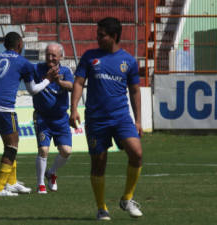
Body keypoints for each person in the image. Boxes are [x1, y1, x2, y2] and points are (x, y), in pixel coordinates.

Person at [69, 17, 144, 220]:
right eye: (97, 34)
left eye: (102, 35)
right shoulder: (89, 57)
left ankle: (127, 198)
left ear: (114, 36)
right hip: (96, 119)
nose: (98, 38)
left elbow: (135, 91)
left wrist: (138, 120)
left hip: (121, 117)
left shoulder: (128, 61)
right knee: (99, 164)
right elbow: (78, 83)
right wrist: (73, 108)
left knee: (136, 153)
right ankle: (102, 208)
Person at [0, 32, 58, 196]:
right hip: (4, 107)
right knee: (12, 146)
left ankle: (11, 182)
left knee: (11, 142)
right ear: (19, 45)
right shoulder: (24, 63)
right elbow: (33, 90)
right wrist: (48, 80)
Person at [33, 43, 74, 194]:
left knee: (66, 151)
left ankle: (51, 172)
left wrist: (58, 81)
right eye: (48, 54)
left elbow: (72, 86)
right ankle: (40, 184)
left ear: (60, 56)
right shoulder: (37, 69)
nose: (50, 58)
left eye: (53, 55)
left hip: (61, 118)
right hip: (43, 117)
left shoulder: (65, 70)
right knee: (43, 150)